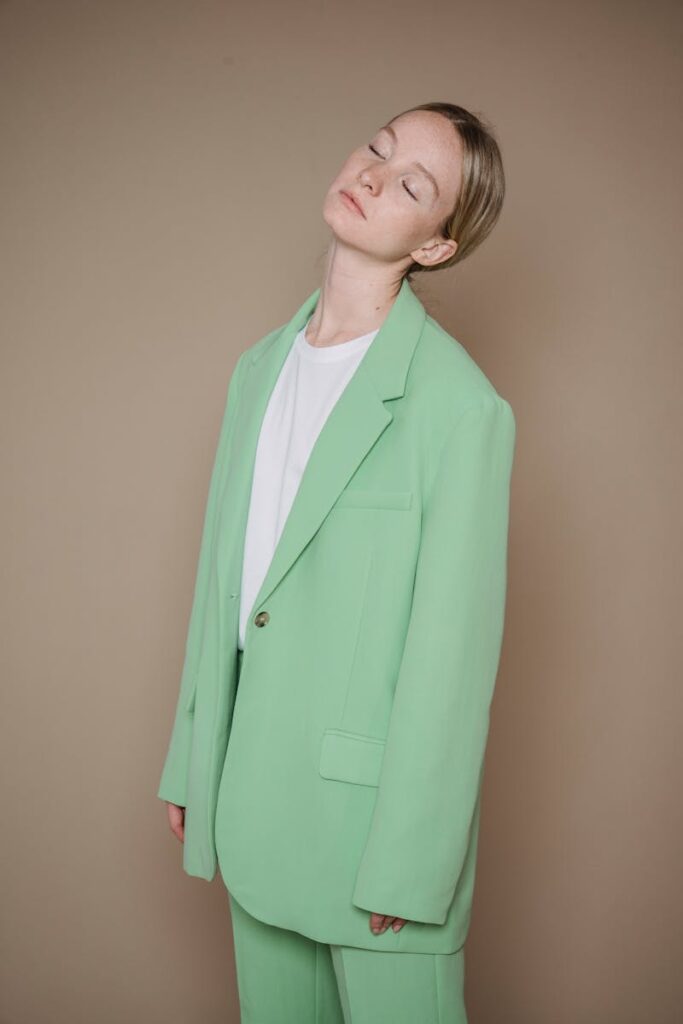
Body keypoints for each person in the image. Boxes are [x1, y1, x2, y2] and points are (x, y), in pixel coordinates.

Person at [158, 101, 516, 1023]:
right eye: (377, 149)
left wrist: (415, 856)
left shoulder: (460, 409)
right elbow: (225, 584)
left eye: (410, 185)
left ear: (434, 247)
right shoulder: (256, 369)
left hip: (376, 842)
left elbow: (453, 657)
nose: (370, 175)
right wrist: (193, 757)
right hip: (251, 801)